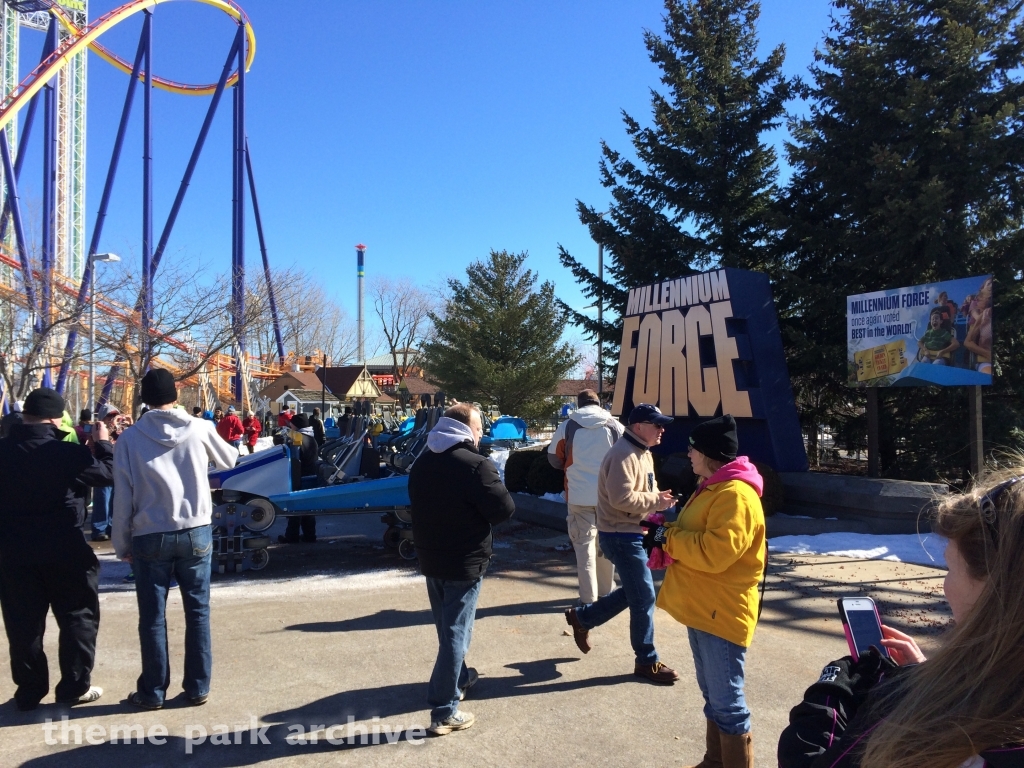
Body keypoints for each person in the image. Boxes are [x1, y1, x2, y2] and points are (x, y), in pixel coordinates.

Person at [777, 467, 1024, 768]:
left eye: (950, 568)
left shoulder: (930, 729)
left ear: (996, 589)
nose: (943, 586)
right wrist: (930, 678)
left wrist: (832, 692)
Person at [111, 369, 237, 709]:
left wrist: (121, 544)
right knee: (198, 611)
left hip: (149, 533)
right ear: (176, 396)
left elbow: (122, 498)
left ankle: (152, 691)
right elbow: (230, 458)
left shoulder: (129, 439)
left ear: (144, 400)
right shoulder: (199, 428)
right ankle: (198, 687)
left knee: (152, 616)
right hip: (196, 530)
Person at [648, 414, 765, 768]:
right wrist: (663, 529)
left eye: (693, 449)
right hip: (704, 608)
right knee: (713, 696)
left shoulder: (736, 494)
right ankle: (715, 761)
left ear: (710, 454)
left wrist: (666, 537)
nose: (688, 455)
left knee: (727, 702)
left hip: (721, 612)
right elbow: (697, 536)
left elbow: (716, 553)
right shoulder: (714, 486)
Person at [0, 387, 113, 710]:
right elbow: (107, 474)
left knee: (23, 624)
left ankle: (29, 690)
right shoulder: (65, 453)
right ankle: (74, 685)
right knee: (78, 615)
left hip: (14, 551)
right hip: (65, 547)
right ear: (55, 418)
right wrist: (102, 443)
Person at [408, 403, 515, 736]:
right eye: (479, 426)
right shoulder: (476, 465)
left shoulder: (422, 461)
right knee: (457, 633)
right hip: (464, 561)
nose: (481, 431)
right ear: (464, 428)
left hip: (430, 557)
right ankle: (444, 709)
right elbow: (504, 509)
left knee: (446, 627)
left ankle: (461, 676)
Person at [564, 403, 679, 685]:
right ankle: (646, 661)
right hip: (620, 535)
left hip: (631, 532)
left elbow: (638, 494)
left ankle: (583, 619)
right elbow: (621, 499)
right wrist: (656, 501)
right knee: (644, 597)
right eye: (657, 425)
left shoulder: (641, 452)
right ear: (638, 427)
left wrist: (657, 499)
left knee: (634, 593)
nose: (662, 430)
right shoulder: (623, 454)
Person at [548, 388, 624, 604]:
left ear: (578, 404)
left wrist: (571, 466)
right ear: (598, 403)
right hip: (608, 497)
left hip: (579, 496)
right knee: (605, 546)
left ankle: (587, 599)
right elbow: (626, 456)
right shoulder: (615, 425)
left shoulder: (567, 425)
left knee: (584, 548)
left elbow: (554, 458)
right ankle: (606, 591)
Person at [278, 413, 319, 544]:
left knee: (295, 507)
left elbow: (295, 459)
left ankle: (292, 536)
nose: (290, 425)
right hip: (310, 474)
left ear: (297, 425)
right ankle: (309, 535)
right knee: (308, 508)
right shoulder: (311, 438)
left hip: (301, 476)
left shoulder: (299, 439)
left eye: (292, 424)